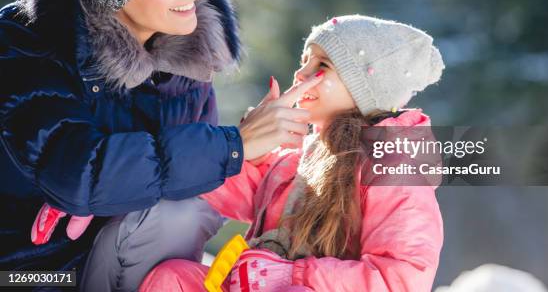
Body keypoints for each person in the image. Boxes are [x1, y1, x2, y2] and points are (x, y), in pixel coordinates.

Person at [0, 0, 321, 290]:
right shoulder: (23, 46)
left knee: (182, 213)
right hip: (26, 272)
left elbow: (194, 187)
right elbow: (78, 174)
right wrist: (231, 145)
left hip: (107, 256)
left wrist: (262, 160)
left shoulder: (182, 58)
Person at [141, 15, 446, 291]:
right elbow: (226, 193)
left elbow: (400, 278)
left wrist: (292, 276)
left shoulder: (394, 164)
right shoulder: (297, 156)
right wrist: (245, 146)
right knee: (175, 278)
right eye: (304, 62)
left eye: (322, 66)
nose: (301, 74)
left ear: (364, 88)